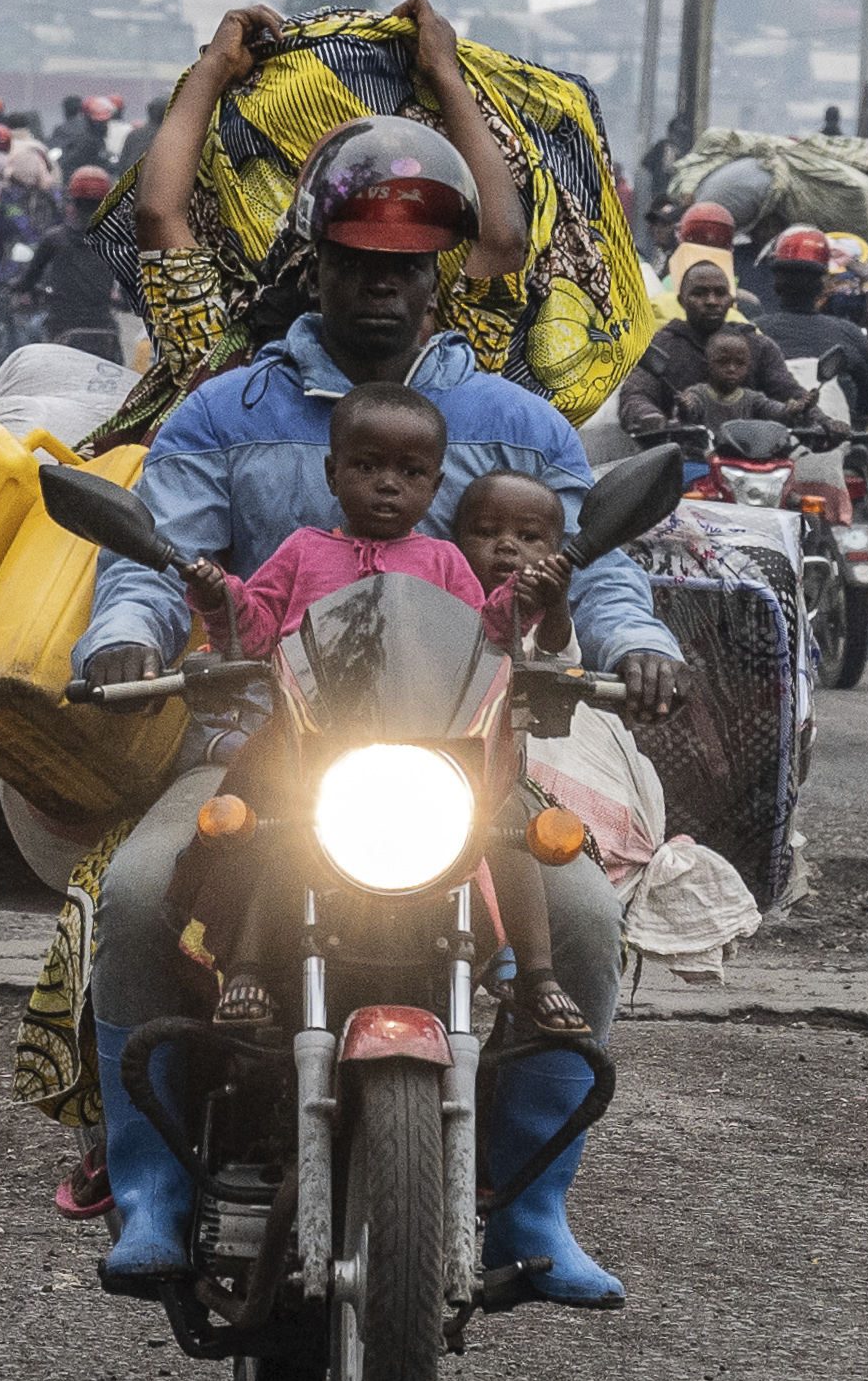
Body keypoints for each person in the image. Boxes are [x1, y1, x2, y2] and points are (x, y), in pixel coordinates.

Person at [73, 116, 684, 1311]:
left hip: (463, 771)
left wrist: (639, 646)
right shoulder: (224, 411)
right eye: (357, 259)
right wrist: (128, 638)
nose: (379, 285)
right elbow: (154, 561)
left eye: (405, 265)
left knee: (585, 920)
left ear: (440, 271)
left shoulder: (518, 423)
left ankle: (530, 1202)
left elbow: (597, 566)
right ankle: (153, 1189)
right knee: (143, 896)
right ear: (316, 259)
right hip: (261, 756)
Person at [166, 391, 579, 1035]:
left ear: (435, 485)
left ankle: (537, 972)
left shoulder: (444, 560)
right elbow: (253, 626)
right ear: (333, 473)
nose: (388, 484)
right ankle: (245, 962)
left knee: (506, 826)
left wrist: (529, 597)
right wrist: (220, 592)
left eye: (411, 473)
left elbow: (484, 637)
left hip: (429, 748)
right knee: (273, 826)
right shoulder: (302, 550)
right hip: (309, 746)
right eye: (367, 466)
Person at [616, 259, 799, 439]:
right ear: (682, 300)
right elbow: (636, 394)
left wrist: (813, 416)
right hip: (678, 456)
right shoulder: (662, 344)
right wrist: (648, 416)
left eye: (720, 293)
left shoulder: (759, 346)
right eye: (700, 293)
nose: (711, 301)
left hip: (755, 458)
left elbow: (788, 392)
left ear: (730, 300)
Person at [746, 226, 868, 429]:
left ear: (776, 283)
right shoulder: (850, 334)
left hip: (764, 448)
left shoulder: (751, 332)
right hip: (835, 447)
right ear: (823, 284)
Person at [17, 165, 124, 360]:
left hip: (60, 328)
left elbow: (28, 280)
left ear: (72, 202)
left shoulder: (54, 239)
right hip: (102, 329)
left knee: (29, 343)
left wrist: (19, 288)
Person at [673, 324, 780, 432]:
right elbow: (689, 409)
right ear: (707, 364)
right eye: (723, 362)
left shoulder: (753, 400)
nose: (732, 369)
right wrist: (685, 406)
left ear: (748, 366)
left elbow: (776, 411)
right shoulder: (699, 394)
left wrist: (791, 409)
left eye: (740, 363)